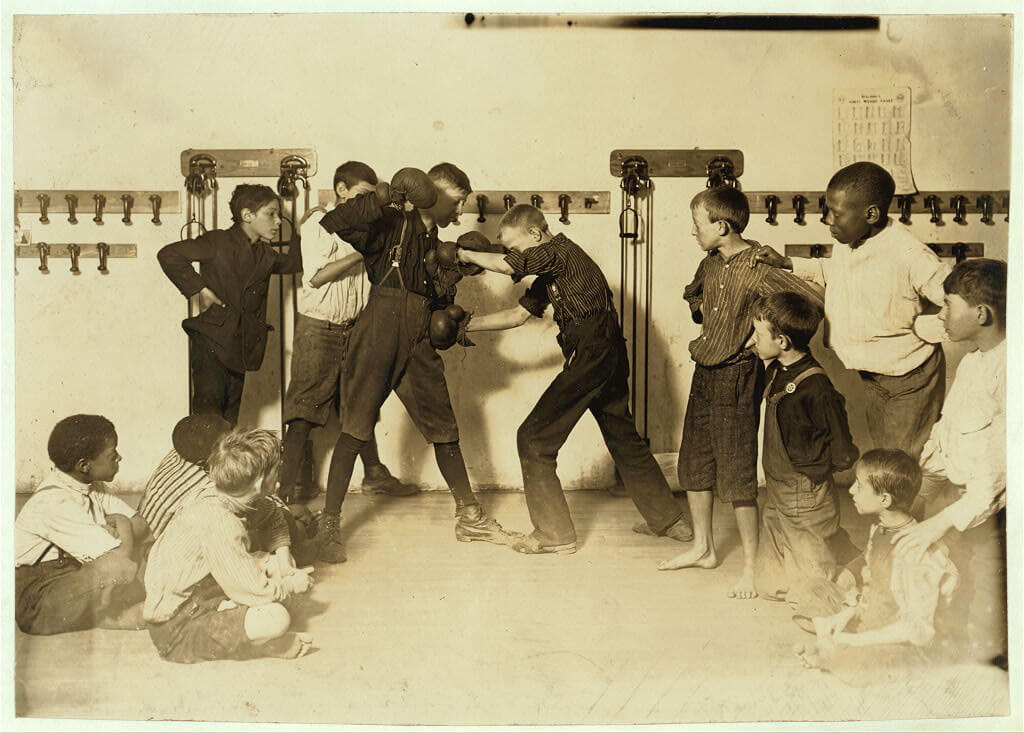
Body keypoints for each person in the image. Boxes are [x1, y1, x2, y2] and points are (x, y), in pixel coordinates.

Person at [310, 163, 517, 563]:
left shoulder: (434, 242)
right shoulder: (390, 221)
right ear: (433, 192)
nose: (459, 213)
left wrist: (449, 318)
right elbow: (334, 221)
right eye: (456, 203)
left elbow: (435, 302)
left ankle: (470, 516)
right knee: (354, 429)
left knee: (444, 426)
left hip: (418, 335)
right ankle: (329, 527)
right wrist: (386, 195)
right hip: (380, 330)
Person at [457, 204, 693, 554]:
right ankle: (671, 521)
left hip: (593, 352)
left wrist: (461, 253)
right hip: (605, 352)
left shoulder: (559, 252)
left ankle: (554, 534)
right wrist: (465, 326)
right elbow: (517, 315)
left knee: (533, 438)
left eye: (515, 246)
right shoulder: (551, 274)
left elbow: (509, 266)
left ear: (536, 235)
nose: (512, 255)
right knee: (623, 436)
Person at [658, 186, 823, 600]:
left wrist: (756, 337)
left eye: (698, 224)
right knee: (694, 461)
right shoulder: (709, 262)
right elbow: (696, 294)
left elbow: (812, 303)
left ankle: (750, 567)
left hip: (738, 376)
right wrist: (709, 315)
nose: (693, 232)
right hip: (704, 372)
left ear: (722, 225)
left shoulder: (761, 265)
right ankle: (703, 547)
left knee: (736, 470)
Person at [752, 162, 951, 459]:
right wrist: (789, 263)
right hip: (874, 375)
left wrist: (923, 329)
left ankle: (909, 505)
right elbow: (841, 273)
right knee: (887, 456)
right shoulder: (851, 241)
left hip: (909, 377)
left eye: (836, 212)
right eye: (826, 208)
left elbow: (961, 300)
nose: (826, 219)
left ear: (871, 214)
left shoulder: (910, 255)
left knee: (899, 464)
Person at [278, 161, 416, 506]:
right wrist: (361, 254)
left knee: (360, 404)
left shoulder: (367, 228)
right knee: (304, 411)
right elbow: (317, 276)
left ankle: (374, 476)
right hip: (318, 328)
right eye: (360, 196)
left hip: (354, 326)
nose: (367, 205)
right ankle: (284, 492)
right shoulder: (317, 223)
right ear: (341, 190)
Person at [892, 258, 1007, 664]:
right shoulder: (974, 361)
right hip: (959, 499)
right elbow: (947, 433)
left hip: (993, 515)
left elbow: (994, 480)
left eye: (948, 306)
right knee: (946, 588)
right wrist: (920, 488)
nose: (941, 315)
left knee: (986, 628)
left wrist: (937, 524)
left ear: (981, 313)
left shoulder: (1010, 369)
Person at [143, 428, 315, 663]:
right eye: (277, 470)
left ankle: (239, 619)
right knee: (277, 617)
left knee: (278, 565)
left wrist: (284, 565)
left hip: (202, 595)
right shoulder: (220, 522)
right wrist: (289, 585)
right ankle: (259, 647)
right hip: (177, 627)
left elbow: (273, 516)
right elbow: (256, 591)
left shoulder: (222, 493)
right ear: (260, 482)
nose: (281, 475)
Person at [792, 450, 959, 687]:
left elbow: (919, 631)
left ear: (885, 500)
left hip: (899, 636)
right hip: (869, 617)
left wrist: (858, 641)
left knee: (869, 663)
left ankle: (832, 650)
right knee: (809, 588)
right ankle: (828, 642)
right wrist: (845, 615)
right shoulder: (879, 530)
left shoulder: (916, 551)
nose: (850, 490)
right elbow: (871, 590)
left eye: (859, 486)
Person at [745, 292, 859, 603]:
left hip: (804, 490)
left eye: (757, 333)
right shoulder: (777, 370)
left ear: (782, 342)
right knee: (771, 584)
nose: (752, 340)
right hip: (779, 489)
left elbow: (842, 446)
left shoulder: (816, 387)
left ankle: (850, 572)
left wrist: (816, 473)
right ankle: (824, 568)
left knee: (816, 587)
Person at [158, 184, 301, 424]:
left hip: (241, 348)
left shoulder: (265, 254)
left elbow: (293, 264)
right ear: (247, 215)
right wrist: (200, 289)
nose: (277, 222)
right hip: (212, 344)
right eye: (271, 214)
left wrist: (299, 232)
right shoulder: (218, 241)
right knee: (207, 422)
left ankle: (222, 463)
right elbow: (168, 255)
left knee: (230, 421)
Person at [15, 415, 149, 634]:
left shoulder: (91, 485)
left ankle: (106, 614)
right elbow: (120, 560)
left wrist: (119, 535)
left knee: (146, 547)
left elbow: (141, 525)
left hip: (75, 574)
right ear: (84, 465)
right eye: (112, 454)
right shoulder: (54, 502)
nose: (119, 457)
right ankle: (112, 616)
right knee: (119, 568)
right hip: (39, 597)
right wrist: (122, 524)